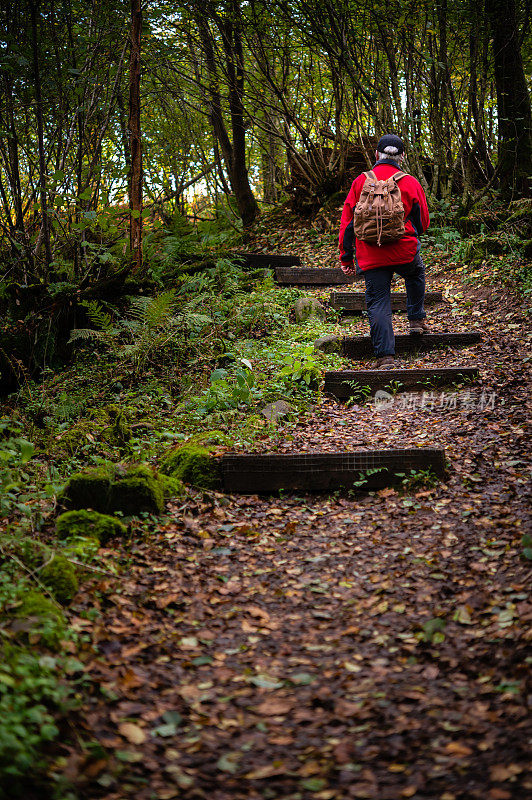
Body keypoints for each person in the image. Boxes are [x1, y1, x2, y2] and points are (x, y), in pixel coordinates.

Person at [338, 133, 430, 368]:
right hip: (403, 251)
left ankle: (385, 357)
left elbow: (348, 223)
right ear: (402, 157)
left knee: (378, 301)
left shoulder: (361, 181)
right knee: (415, 273)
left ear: (376, 154)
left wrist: (346, 257)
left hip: (370, 255)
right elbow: (423, 224)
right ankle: (416, 320)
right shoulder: (409, 182)